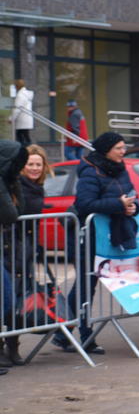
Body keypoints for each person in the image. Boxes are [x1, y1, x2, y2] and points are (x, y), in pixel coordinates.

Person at [53, 132, 139, 355]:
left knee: (86, 285)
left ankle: (63, 332)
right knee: (85, 286)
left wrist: (133, 207)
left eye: (124, 147)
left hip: (110, 236)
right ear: (106, 150)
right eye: (119, 148)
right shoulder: (90, 171)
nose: (123, 152)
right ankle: (85, 336)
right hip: (87, 236)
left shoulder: (120, 169)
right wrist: (118, 204)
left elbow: (132, 195)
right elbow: (85, 204)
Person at [0, 140, 28, 372]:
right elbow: (10, 214)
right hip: (5, 245)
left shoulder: (10, 180)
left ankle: (12, 345)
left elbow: (22, 210)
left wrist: (14, 181)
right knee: (6, 297)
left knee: (13, 298)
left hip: (14, 246)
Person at [10, 79, 34, 147]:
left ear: (17, 86)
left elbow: (17, 108)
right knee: (25, 136)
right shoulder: (27, 94)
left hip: (22, 120)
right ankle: (29, 149)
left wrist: (11, 118)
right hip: (27, 119)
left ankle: (25, 150)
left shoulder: (20, 95)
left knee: (21, 137)